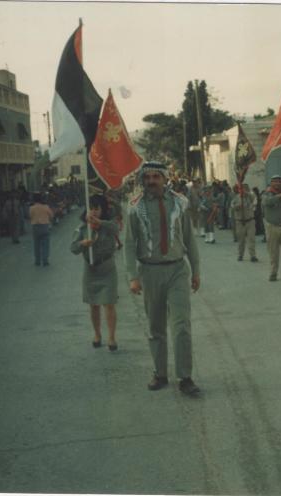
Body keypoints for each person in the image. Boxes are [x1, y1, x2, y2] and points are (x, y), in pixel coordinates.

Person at [124, 161, 201, 396]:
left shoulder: (179, 202)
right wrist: (132, 276)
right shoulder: (135, 206)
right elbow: (129, 243)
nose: (151, 182)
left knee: (181, 326)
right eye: (147, 178)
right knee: (155, 326)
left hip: (178, 269)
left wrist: (196, 271)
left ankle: (185, 377)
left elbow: (189, 238)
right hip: (150, 271)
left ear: (165, 178)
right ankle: (160, 373)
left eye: (156, 177)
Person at [71, 195, 120, 350]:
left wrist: (100, 223)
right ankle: (97, 334)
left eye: (97, 208)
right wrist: (82, 243)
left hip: (107, 268)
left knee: (109, 303)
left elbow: (116, 229)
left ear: (102, 210)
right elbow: (73, 248)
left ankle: (111, 337)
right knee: (93, 305)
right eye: (91, 208)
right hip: (91, 269)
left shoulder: (109, 224)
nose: (93, 212)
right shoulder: (82, 228)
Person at [231, 183, 258, 262]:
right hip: (240, 222)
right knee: (241, 240)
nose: (243, 191)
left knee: (251, 239)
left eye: (245, 189)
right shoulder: (236, 198)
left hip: (250, 221)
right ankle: (240, 255)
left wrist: (246, 194)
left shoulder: (250, 197)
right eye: (241, 189)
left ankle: (253, 255)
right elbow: (232, 206)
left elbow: (255, 201)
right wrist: (238, 206)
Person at [29, 193, 53, 266]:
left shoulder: (31, 208)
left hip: (35, 227)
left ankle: (37, 261)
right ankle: (45, 260)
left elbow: (30, 216)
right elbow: (51, 215)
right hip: (44, 226)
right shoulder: (46, 207)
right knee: (45, 244)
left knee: (36, 245)